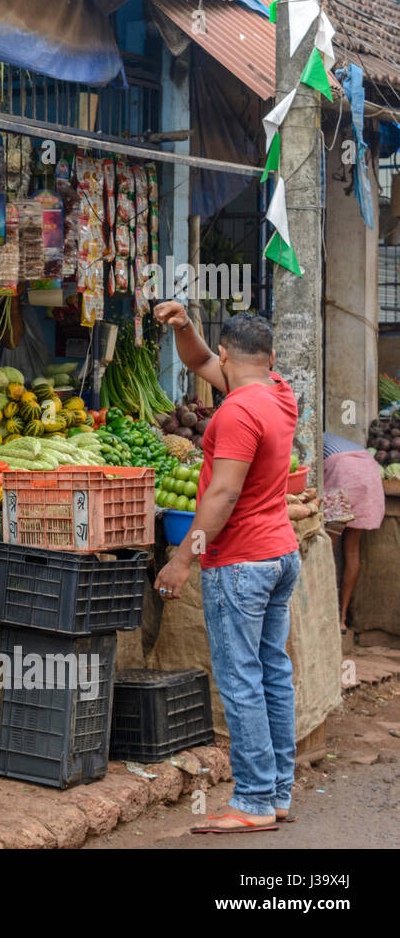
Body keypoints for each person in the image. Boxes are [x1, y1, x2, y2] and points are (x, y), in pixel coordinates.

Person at [152, 303, 299, 834]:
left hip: (241, 561)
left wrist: (183, 556)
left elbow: (224, 491)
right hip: (280, 555)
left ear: (230, 356)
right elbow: (200, 362)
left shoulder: (237, 412)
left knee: (242, 681)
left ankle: (255, 799)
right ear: (270, 357)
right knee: (272, 676)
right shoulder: (277, 391)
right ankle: (277, 791)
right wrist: (185, 327)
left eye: (220, 357)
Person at [322, 431, 386, 633]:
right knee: (352, 550)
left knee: (325, 548)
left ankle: (324, 615)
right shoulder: (333, 438)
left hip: (344, 471)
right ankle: (340, 620)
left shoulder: (301, 436)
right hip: (369, 468)